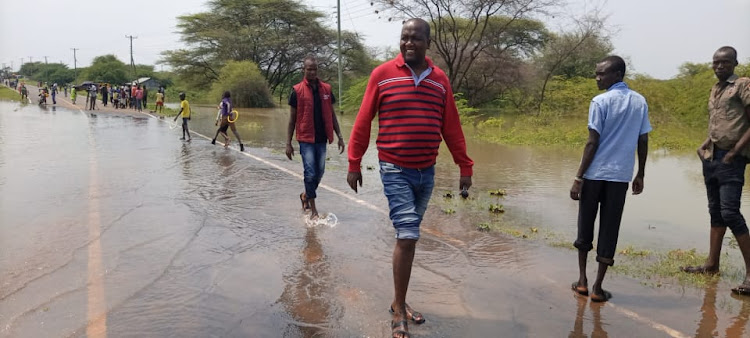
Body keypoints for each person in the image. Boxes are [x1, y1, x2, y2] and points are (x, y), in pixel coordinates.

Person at [346, 18, 473, 338]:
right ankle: (399, 310)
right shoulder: (383, 74)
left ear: (428, 43)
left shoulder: (440, 80)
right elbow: (363, 120)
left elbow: (452, 128)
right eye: (404, 38)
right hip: (393, 168)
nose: (408, 43)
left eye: (415, 38)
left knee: (409, 237)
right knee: (408, 234)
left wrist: (465, 166)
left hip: (426, 171)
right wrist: (354, 161)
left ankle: (397, 301)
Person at [569, 55, 651, 303]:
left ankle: (582, 281)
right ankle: (597, 287)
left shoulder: (600, 101)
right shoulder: (639, 102)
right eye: (597, 73)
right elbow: (643, 139)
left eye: (602, 73)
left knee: (585, 225)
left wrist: (578, 177)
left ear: (617, 74)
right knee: (609, 229)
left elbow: (592, 142)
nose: (597, 78)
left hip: (594, 175)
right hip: (620, 177)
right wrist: (641, 173)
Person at [681, 46, 750, 296]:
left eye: (725, 62)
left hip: (732, 158)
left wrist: (734, 152)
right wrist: (704, 145)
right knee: (716, 213)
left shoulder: (742, 84)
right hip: (711, 155)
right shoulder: (716, 88)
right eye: (716, 63)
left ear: (734, 63)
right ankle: (712, 264)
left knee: (730, 212)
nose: (719, 67)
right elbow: (719, 122)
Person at [286, 56, 345, 219]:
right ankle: (313, 210)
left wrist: (339, 136)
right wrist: (288, 143)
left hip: (321, 138)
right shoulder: (297, 91)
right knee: (310, 173)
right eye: (309, 69)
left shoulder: (326, 89)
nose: (312, 72)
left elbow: (332, 115)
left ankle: (305, 196)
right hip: (305, 138)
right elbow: (292, 119)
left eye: (314, 69)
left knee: (319, 173)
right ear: (303, 70)